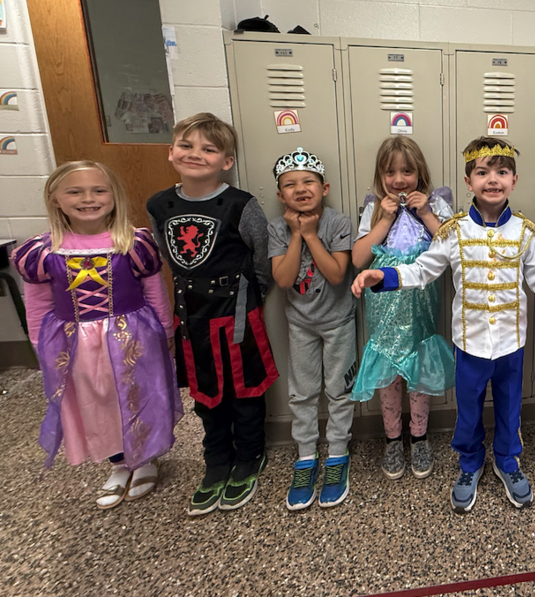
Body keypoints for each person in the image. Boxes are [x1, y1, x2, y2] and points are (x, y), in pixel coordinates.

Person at [352, 137, 535, 513]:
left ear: (514, 180)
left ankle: (507, 462)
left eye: (502, 172)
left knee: (509, 409)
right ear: (468, 181)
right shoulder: (453, 231)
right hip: (469, 343)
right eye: (483, 172)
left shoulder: (526, 233)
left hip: (511, 343)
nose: (493, 180)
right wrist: (383, 276)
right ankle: (469, 464)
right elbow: (423, 270)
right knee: (469, 410)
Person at [13, 161, 181, 508]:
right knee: (96, 404)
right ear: (55, 198)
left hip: (133, 337)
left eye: (98, 190)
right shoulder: (43, 252)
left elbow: (155, 292)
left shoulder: (134, 243)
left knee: (138, 396)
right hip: (75, 345)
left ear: (114, 197)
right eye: (75, 191)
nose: (88, 198)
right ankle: (118, 461)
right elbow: (38, 303)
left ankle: (146, 457)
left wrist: (165, 331)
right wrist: (39, 346)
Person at [147, 113, 278, 515]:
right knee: (206, 396)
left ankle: (249, 457)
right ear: (171, 153)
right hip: (192, 320)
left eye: (208, 148)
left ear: (226, 160)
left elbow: (262, 261)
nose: (195, 154)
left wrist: (247, 297)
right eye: (186, 146)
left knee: (245, 391)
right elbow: (168, 259)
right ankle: (216, 461)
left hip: (237, 315)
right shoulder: (160, 204)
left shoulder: (240, 205)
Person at [350, 136, 454, 481]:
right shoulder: (373, 208)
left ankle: (420, 436)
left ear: (419, 172)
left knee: (419, 373)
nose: (399, 180)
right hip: (384, 313)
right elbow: (359, 258)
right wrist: (384, 219)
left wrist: (424, 213)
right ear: (380, 176)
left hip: (422, 311)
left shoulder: (436, 204)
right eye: (390, 172)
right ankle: (393, 438)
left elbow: (454, 249)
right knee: (389, 375)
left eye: (407, 171)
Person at [268, 147, 357, 510]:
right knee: (302, 391)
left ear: (325, 188)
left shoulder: (338, 223)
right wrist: (295, 235)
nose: (300, 189)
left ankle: (337, 454)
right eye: (290, 184)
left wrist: (311, 235)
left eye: (308, 182)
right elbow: (285, 279)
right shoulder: (277, 228)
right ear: (279, 194)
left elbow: (337, 275)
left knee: (339, 389)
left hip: (338, 321)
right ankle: (306, 456)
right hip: (300, 323)